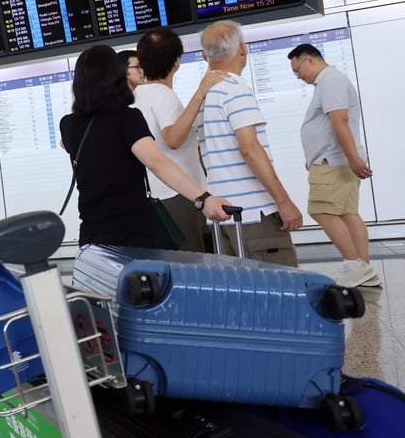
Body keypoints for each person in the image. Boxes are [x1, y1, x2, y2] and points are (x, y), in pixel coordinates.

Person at [59, 45, 231, 248]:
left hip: (91, 236)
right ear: (114, 77)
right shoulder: (126, 118)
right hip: (131, 234)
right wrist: (203, 198)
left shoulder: (68, 124)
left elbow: (70, 145)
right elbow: (157, 163)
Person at [196, 20, 302, 266]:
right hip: (254, 214)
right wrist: (283, 202)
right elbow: (250, 149)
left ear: (204, 56)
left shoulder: (205, 94)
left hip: (224, 215)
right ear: (243, 49)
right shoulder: (235, 89)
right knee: (280, 293)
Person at [288, 43, 380, 287]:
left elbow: (340, 122)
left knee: (321, 211)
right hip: (334, 159)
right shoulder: (329, 82)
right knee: (348, 213)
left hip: (335, 160)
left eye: (298, 70)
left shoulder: (330, 81)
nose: (298, 76)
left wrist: (350, 158)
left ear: (310, 60)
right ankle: (365, 269)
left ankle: (354, 266)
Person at [135, 28, 227, 251]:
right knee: (191, 263)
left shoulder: (136, 95)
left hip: (156, 194)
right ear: (176, 62)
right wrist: (200, 93)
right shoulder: (162, 94)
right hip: (177, 195)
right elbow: (173, 139)